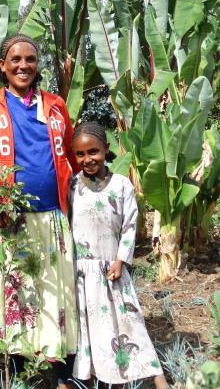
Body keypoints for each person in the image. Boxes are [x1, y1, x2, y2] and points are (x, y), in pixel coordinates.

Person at [0, 34, 78, 388]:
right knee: (17, 297)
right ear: (3, 65)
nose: (23, 66)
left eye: (30, 59)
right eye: (15, 59)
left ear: (37, 65)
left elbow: (71, 159)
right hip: (11, 218)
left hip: (52, 217)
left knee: (54, 293)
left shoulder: (56, 105)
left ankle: (62, 373)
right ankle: (19, 375)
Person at [68, 121, 168, 388]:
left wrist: (121, 260)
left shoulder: (122, 185)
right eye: (80, 154)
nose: (87, 159)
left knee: (129, 321)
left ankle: (158, 380)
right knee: (90, 328)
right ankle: (96, 377)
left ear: (106, 149)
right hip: (82, 273)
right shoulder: (71, 186)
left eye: (93, 152)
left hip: (113, 269)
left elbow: (129, 226)